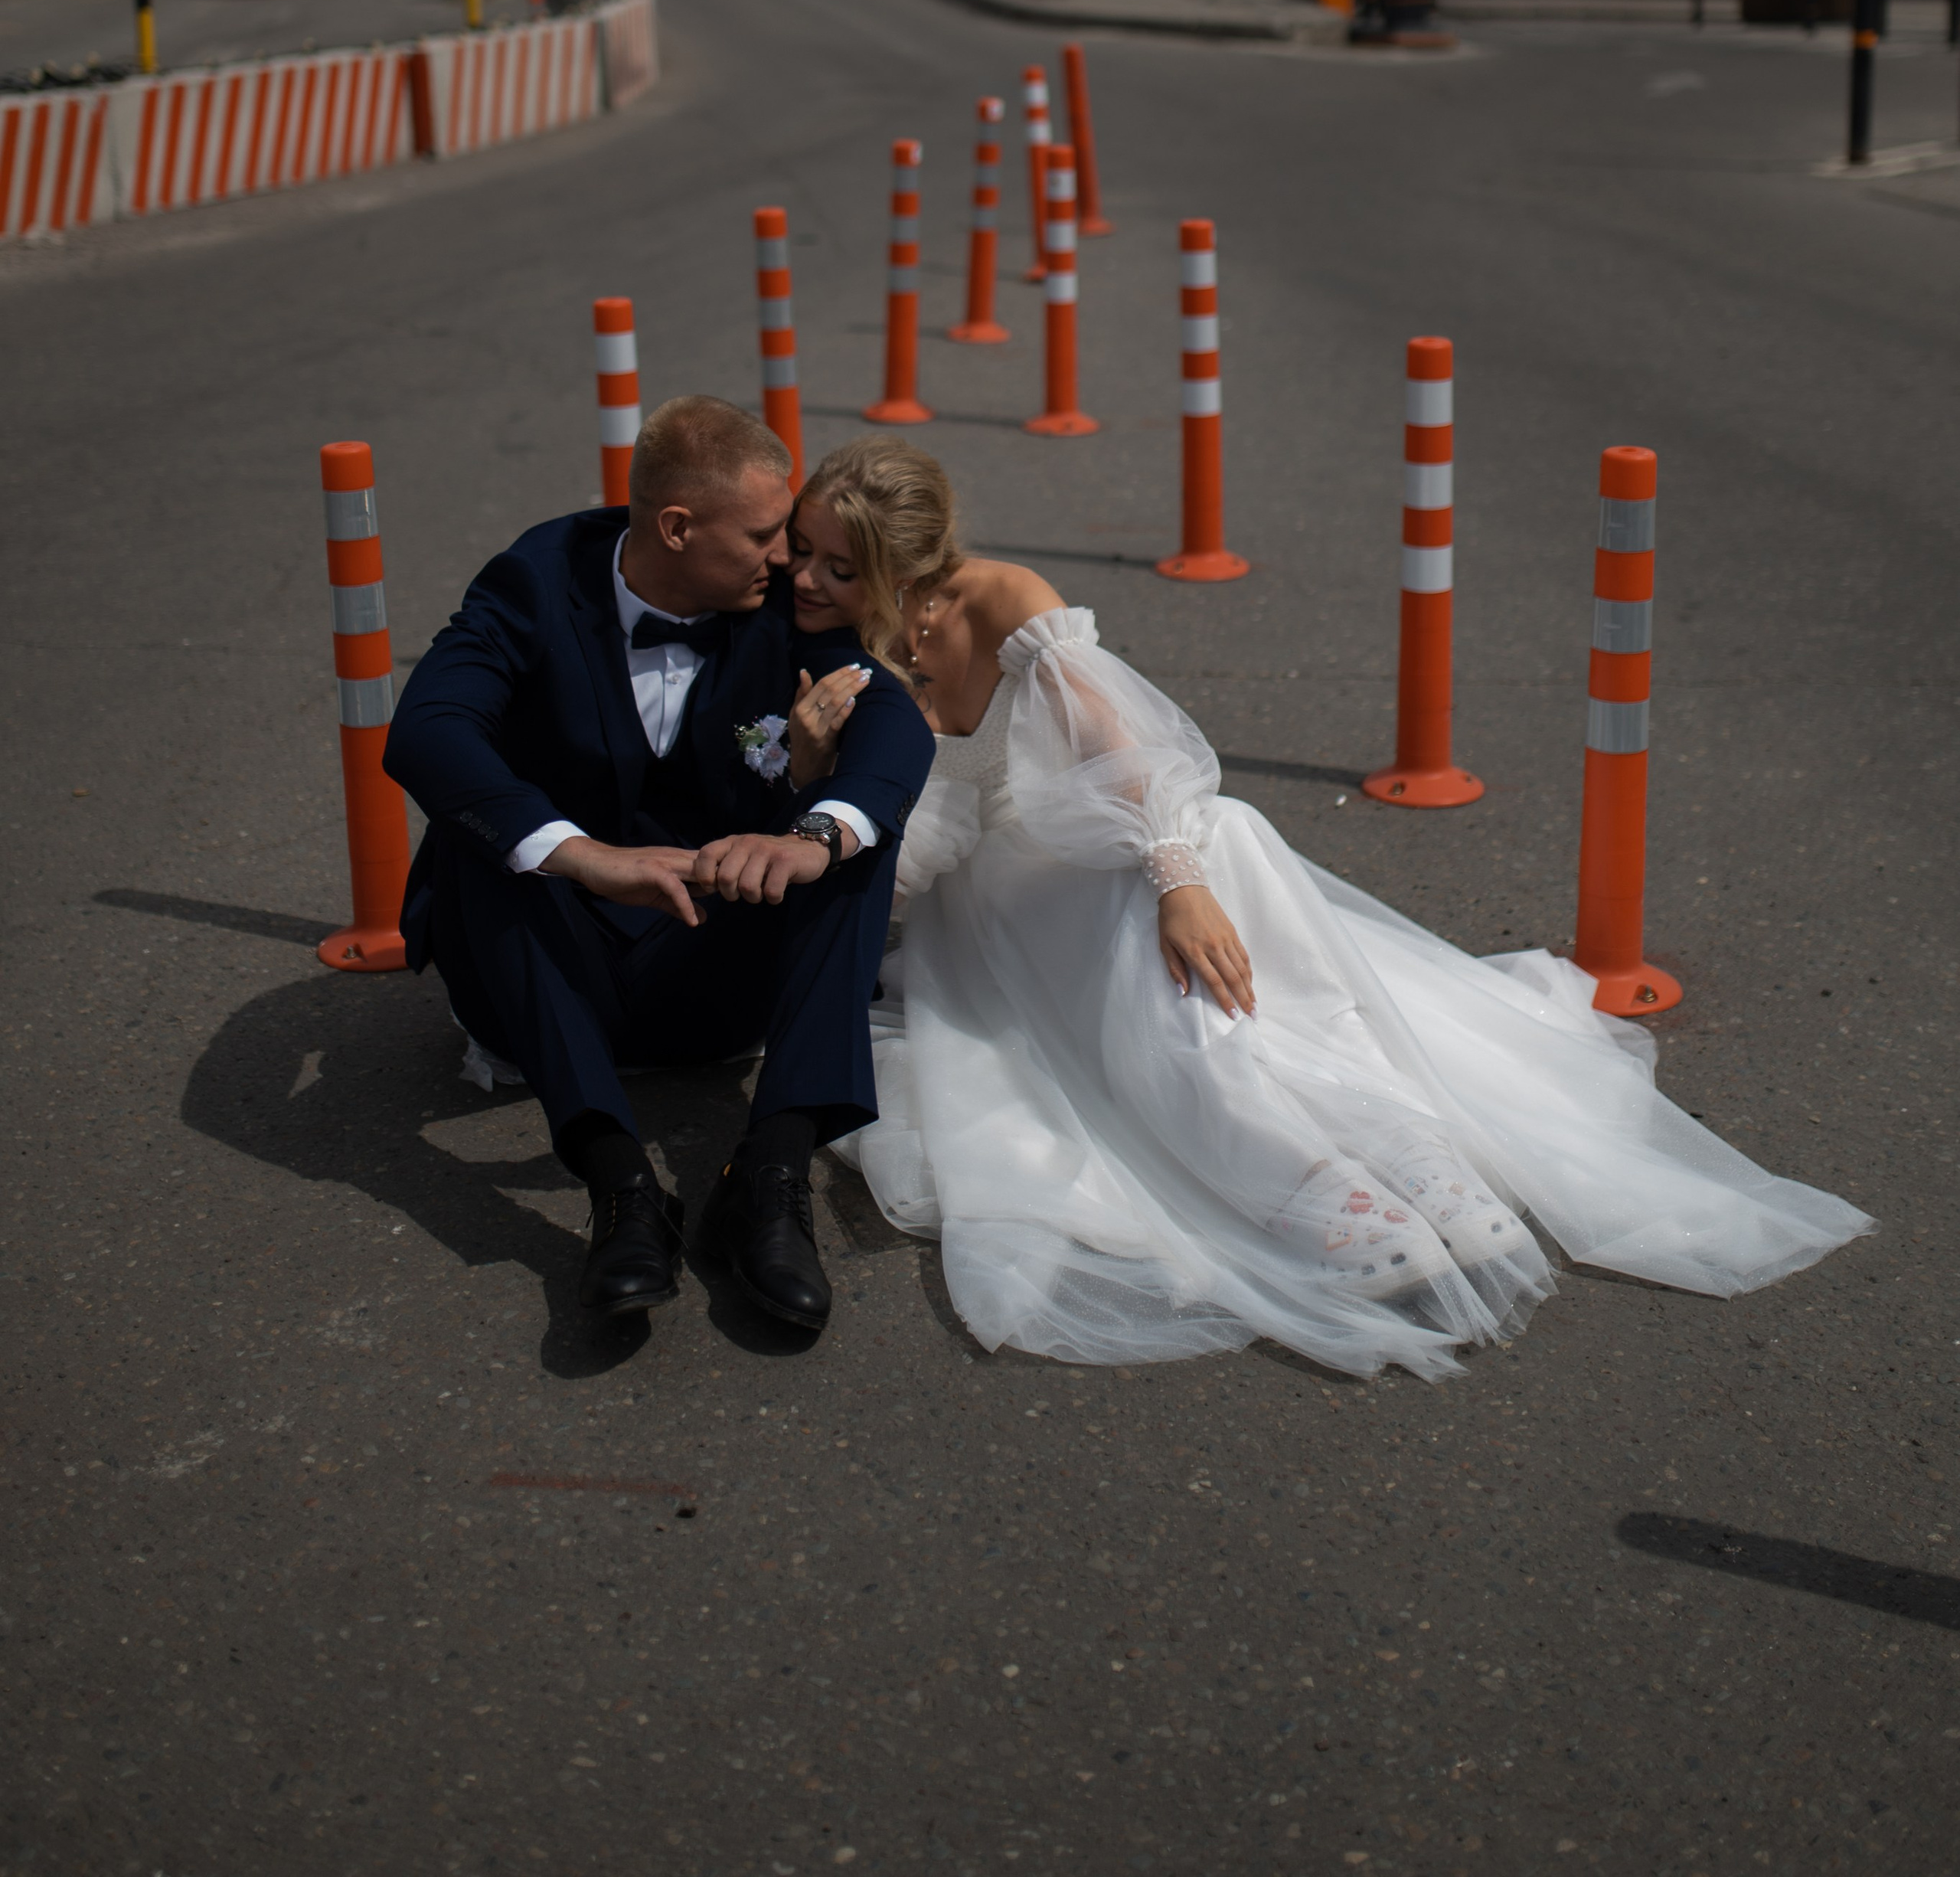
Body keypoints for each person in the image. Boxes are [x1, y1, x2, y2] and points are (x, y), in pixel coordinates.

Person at [788, 440, 1874, 1382]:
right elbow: (914, 856)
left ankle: (1400, 1145)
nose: (808, 578)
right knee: (1125, 974)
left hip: (1118, 842)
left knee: (1225, 850)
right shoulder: (831, 663)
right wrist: (814, 757)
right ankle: (1307, 1182)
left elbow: (1127, 749)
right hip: (1001, 903)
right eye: (802, 552)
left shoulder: (1002, 601)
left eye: (842, 565)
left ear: (908, 562)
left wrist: (1180, 882)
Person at [384, 396, 935, 1334]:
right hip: (550, 973)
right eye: (765, 535)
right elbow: (427, 728)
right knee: (484, 834)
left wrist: (808, 836)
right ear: (677, 527)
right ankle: (621, 1186)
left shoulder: (785, 606)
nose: (787, 561)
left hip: (709, 961)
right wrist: (586, 858)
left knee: (849, 838)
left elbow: (887, 716)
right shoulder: (535, 578)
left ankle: (768, 1173)